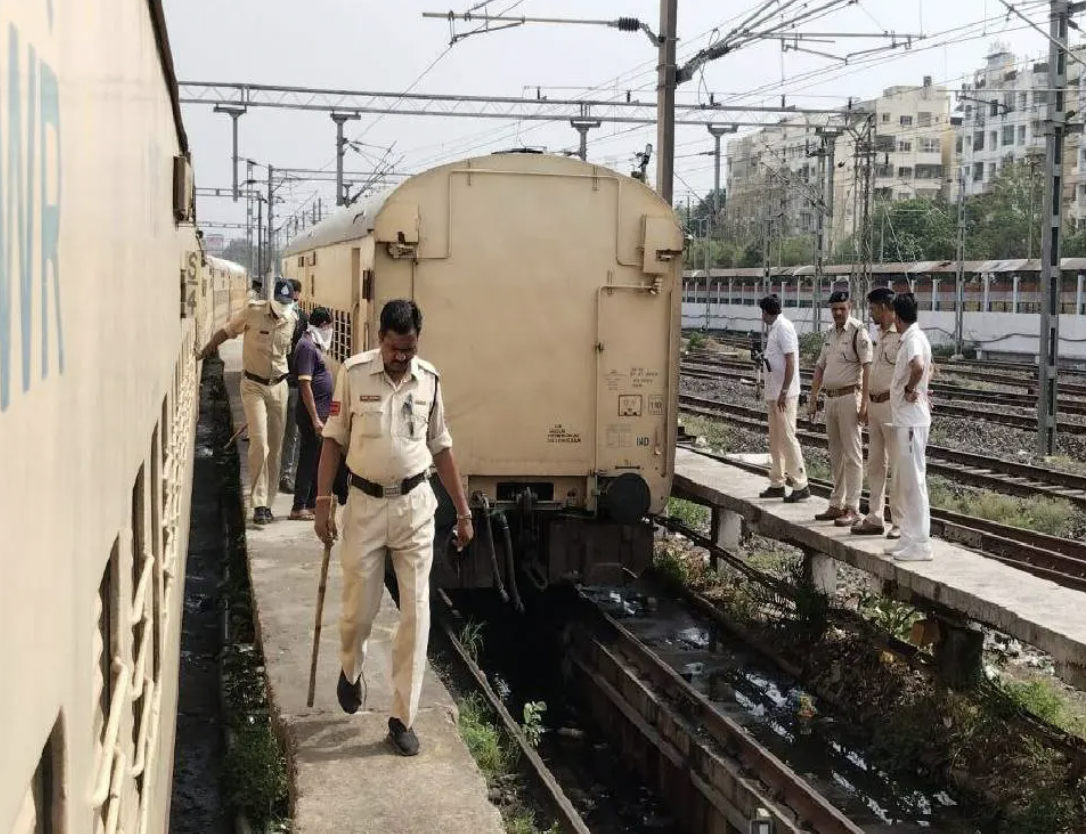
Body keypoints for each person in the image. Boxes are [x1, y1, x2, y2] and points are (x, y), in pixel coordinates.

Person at [313, 299, 474, 756]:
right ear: (380, 339)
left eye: (409, 349)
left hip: (414, 507)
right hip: (363, 505)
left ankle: (403, 716)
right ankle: (350, 669)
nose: (401, 358)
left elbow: (441, 447)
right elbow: (332, 440)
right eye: (394, 348)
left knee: (417, 613)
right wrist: (322, 503)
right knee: (357, 613)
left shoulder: (430, 380)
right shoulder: (354, 372)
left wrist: (462, 513)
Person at [196, 278, 297, 525]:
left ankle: (268, 504)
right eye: (278, 306)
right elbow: (227, 330)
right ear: (272, 300)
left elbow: (288, 352)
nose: (281, 311)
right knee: (260, 443)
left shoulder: (292, 319)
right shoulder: (253, 312)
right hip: (253, 386)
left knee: (274, 448)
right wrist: (207, 349)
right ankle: (259, 503)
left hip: (279, 388)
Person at [807, 290, 872, 528]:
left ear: (850, 306)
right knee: (835, 454)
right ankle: (836, 503)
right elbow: (819, 367)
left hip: (848, 397)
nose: (837, 313)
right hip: (831, 398)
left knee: (853, 455)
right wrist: (813, 396)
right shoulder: (829, 334)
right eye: (834, 309)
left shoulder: (858, 331)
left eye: (842, 308)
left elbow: (868, 367)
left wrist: (865, 403)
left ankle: (853, 507)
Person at [886, 292, 934, 562]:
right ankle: (907, 537)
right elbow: (929, 369)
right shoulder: (915, 336)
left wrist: (910, 388)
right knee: (906, 480)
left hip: (912, 421)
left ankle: (921, 543)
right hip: (908, 419)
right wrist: (923, 389)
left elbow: (919, 366)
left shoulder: (913, 339)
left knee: (914, 481)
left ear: (897, 316)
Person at [852, 288, 903, 538]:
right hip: (875, 405)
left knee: (897, 466)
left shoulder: (903, 335)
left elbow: (924, 368)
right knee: (875, 464)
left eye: (873, 309)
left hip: (893, 407)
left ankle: (900, 522)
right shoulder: (880, 334)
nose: (870, 314)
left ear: (884, 307)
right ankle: (875, 516)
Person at [757, 295, 810, 502]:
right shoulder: (775, 330)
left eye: (763, 312)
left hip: (783, 394)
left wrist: (785, 390)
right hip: (774, 393)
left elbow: (791, 360)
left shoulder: (784, 327)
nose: (762, 316)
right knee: (776, 439)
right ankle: (777, 481)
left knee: (788, 437)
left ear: (768, 312)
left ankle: (800, 482)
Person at [289, 307, 334, 521]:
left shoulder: (312, 344)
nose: (331, 331)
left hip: (318, 414)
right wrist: (316, 418)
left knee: (316, 458)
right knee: (308, 459)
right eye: (330, 326)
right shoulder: (307, 347)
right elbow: (305, 385)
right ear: (323, 325)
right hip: (310, 415)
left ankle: (310, 503)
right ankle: (299, 506)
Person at [279, 278, 309, 494]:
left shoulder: (298, 319)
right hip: (289, 384)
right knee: (291, 434)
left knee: (286, 434)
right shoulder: (301, 319)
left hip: (283, 383)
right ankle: (284, 475)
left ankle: (282, 475)